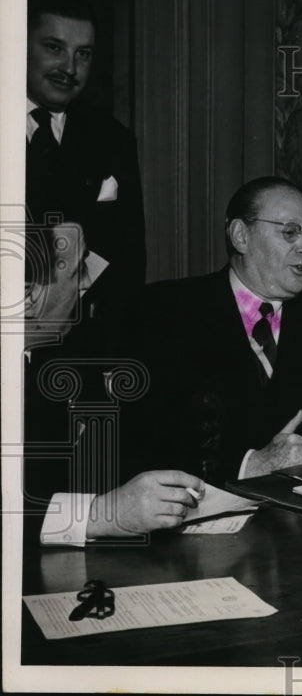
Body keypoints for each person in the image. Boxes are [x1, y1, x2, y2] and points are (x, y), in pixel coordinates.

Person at [119, 177, 302, 486]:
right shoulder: (165, 311)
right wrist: (248, 465)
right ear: (241, 236)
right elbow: (139, 439)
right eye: (290, 232)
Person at [21, 222, 203, 545]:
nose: (89, 282)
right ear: (28, 295)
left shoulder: (49, 360)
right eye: (79, 270)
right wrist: (102, 513)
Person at [25, 0, 146, 321]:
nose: (69, 68)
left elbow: (128, 265)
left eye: (83, 54)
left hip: (82, 348)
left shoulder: (113, 140)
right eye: (54, 48)